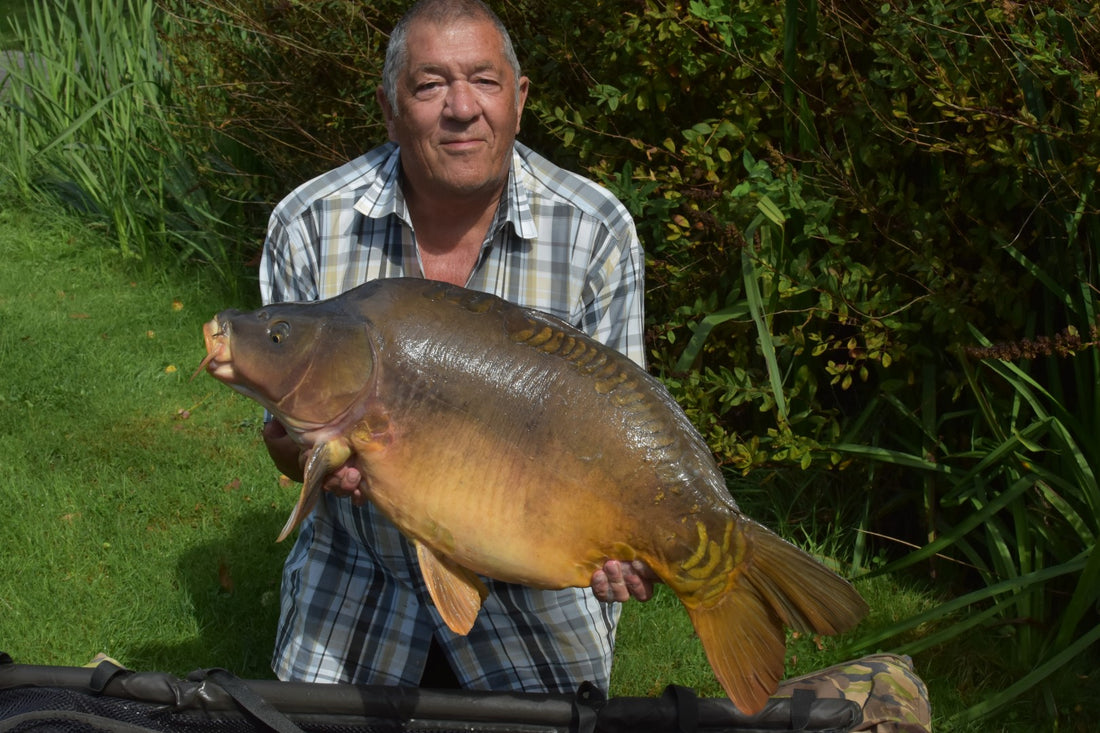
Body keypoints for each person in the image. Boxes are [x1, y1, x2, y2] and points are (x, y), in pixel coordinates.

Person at [259, 0, 654, 694]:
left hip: (537, 604)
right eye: (430, 84)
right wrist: (309, 455)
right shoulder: (307, 224)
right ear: (390, 109)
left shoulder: (598, 231)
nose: (462, 107)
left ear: (520, 99)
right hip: (356, 590)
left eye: (484, 80)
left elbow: (620, 434)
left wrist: (636, 541)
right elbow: (279, 438)